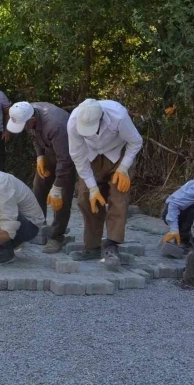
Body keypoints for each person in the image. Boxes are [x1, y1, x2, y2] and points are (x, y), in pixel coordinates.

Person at [67, 99, 143, 267]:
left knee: (118, 196)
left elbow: (135, 141)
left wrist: (123, 168)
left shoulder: (119, 116)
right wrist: (93, 189)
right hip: (91, 156)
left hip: (119, 155)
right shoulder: (73, 122)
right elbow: (78, 158)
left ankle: (111, 245)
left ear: (101, 118)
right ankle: (92, 247)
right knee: (85, 198)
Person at [6, 101, 75, 253]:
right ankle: (36, 228)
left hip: (70, 155)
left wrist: (56, 187)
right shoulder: (26, 111)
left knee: (61, 197)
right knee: (39, 187)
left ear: (32, 120)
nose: (24, 130)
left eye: (25, 126)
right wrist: (40, 157)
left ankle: (57, 237)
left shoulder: (56, 126)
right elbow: (35, 137)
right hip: (49, 151)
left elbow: (65, 161)